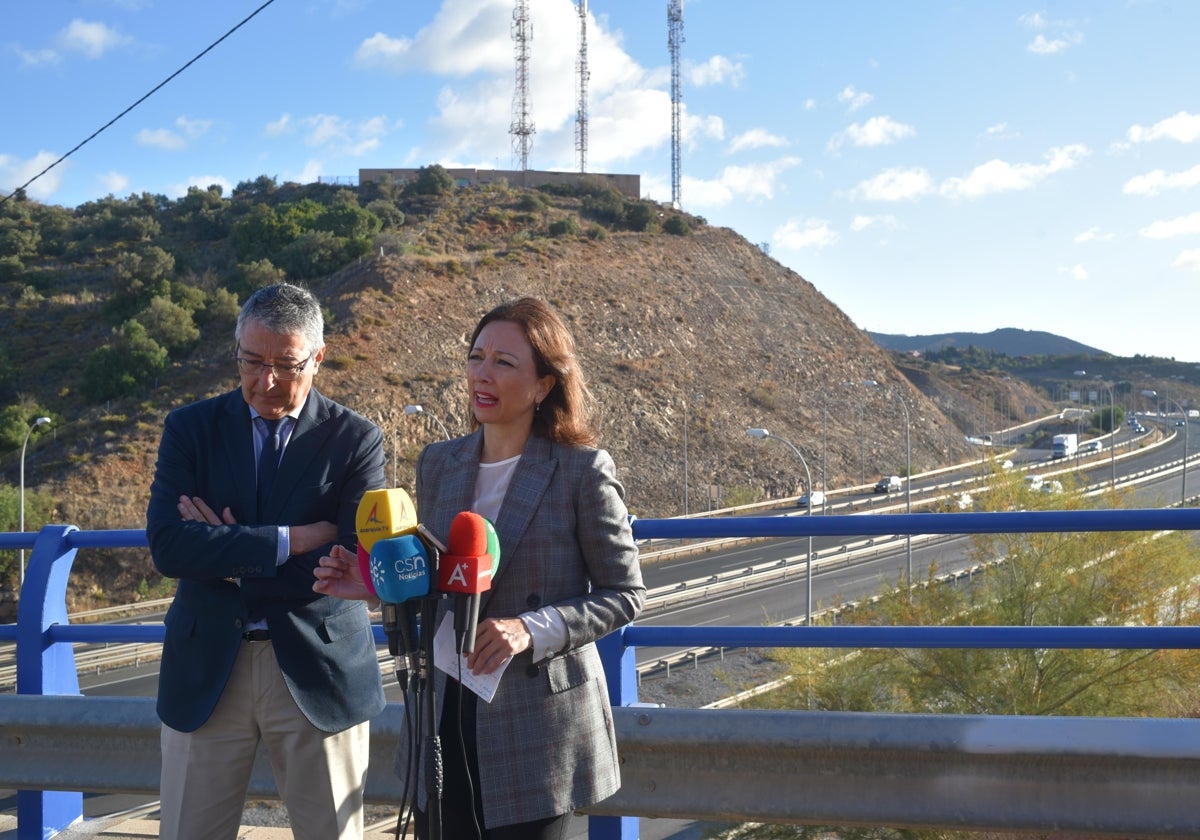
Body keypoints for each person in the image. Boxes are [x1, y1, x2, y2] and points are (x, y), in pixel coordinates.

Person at [315, 296, 645, 839]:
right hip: (442, 716)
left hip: (536, 730)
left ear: (544, 384)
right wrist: (374, 584)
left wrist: (528, 630)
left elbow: (624, 593)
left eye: (504, 362)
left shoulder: (582, 470)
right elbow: (438, 583)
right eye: (476, 357)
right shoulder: (440, 463)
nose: (482, 374)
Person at [146, 282, 387, 840]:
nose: (266, 380)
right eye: (251, 361)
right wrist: (291, 539)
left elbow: (346, 564)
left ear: (318, 357)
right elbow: (170, 547)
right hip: (207, 669)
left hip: (317, 670)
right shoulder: (190, 430)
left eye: (286, 364)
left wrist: (227, 547)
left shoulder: (356, 440)